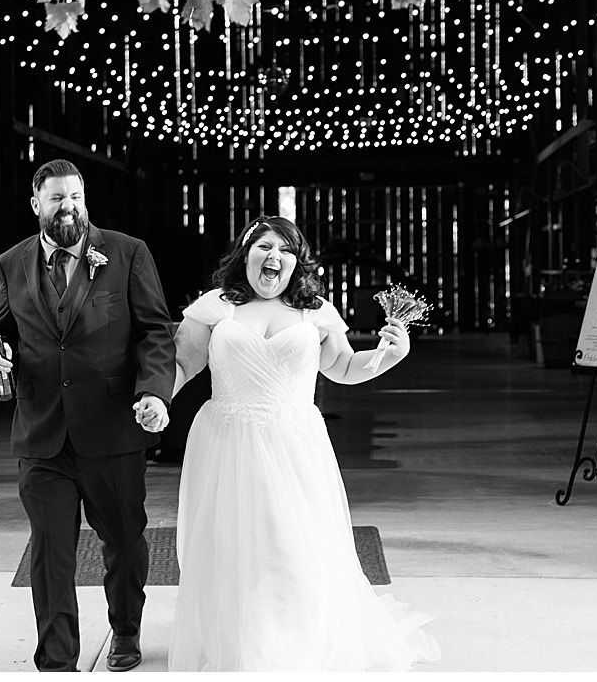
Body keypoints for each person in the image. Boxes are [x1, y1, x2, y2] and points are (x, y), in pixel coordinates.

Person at [166, 215, 439, 671]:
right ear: (245, 254)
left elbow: (345, 369)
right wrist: (155, 401)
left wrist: (393, 354)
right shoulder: (216, 306)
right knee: (232, 546)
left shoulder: (317, 311)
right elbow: (181, 364)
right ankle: (242, 642)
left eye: (285, 250)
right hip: (226, 443)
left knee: (292, 546)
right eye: (264, 247)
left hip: (295, 447)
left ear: (297, 262)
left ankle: (288, 646)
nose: (274, 257)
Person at [0, 159, 175, 672]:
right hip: (42, 431)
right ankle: (57, 659)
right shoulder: (11, 262)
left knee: (125, 541)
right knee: (50, 550)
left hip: (112, 427)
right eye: (56, 199)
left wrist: (155, 392)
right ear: (35, 204)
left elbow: (156, 331)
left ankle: (127, 630)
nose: (67, 207)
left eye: (75, 197)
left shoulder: (127, 253)